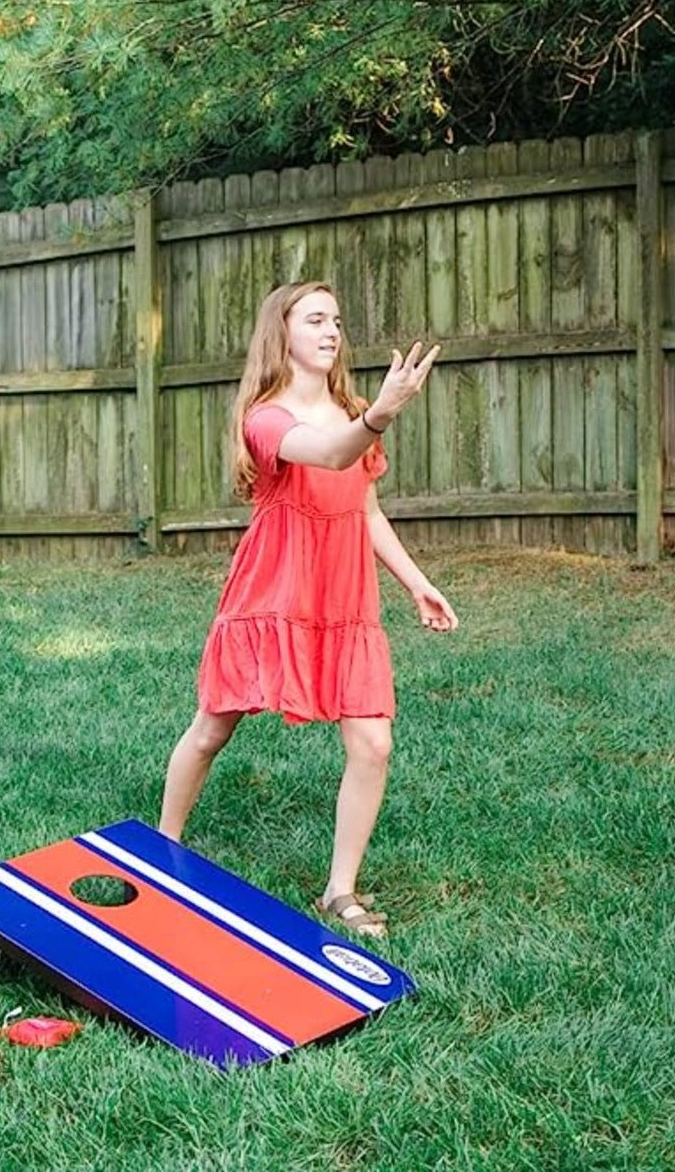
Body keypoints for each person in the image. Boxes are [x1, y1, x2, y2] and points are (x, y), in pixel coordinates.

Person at [159, 281, 459, 937]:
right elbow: (326, 453)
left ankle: (339, 892)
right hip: (274, 589)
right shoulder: (265, 417)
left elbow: (365, 506)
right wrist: (381, 411)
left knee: (373, 742)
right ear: (282, 333)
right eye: (315, 319)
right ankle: (162, 849)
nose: (331, 331)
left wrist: (415, 582)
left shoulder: (353, 409)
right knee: (213, 728)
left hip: (343, 595)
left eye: (337, 320)